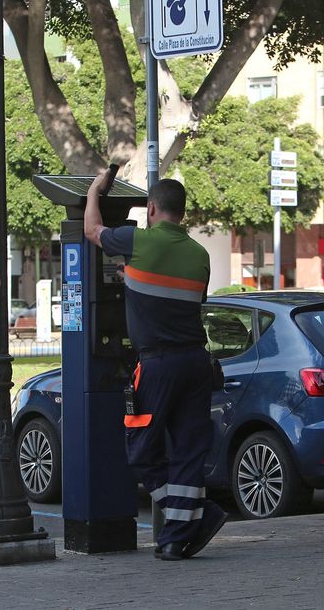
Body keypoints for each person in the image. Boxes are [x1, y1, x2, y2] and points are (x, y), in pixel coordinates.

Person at [84, 170, 225, 562]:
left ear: (150, 209)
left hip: (158, 363)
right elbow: (185, 300)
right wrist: (135, 280)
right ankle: (178, 536)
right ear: (182, 212)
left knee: (141, 449)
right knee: (188, 450)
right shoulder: (200, 255)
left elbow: (93, 231)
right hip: (196, 361)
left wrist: (96, 191)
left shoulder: (137, 241)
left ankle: (196, 518)